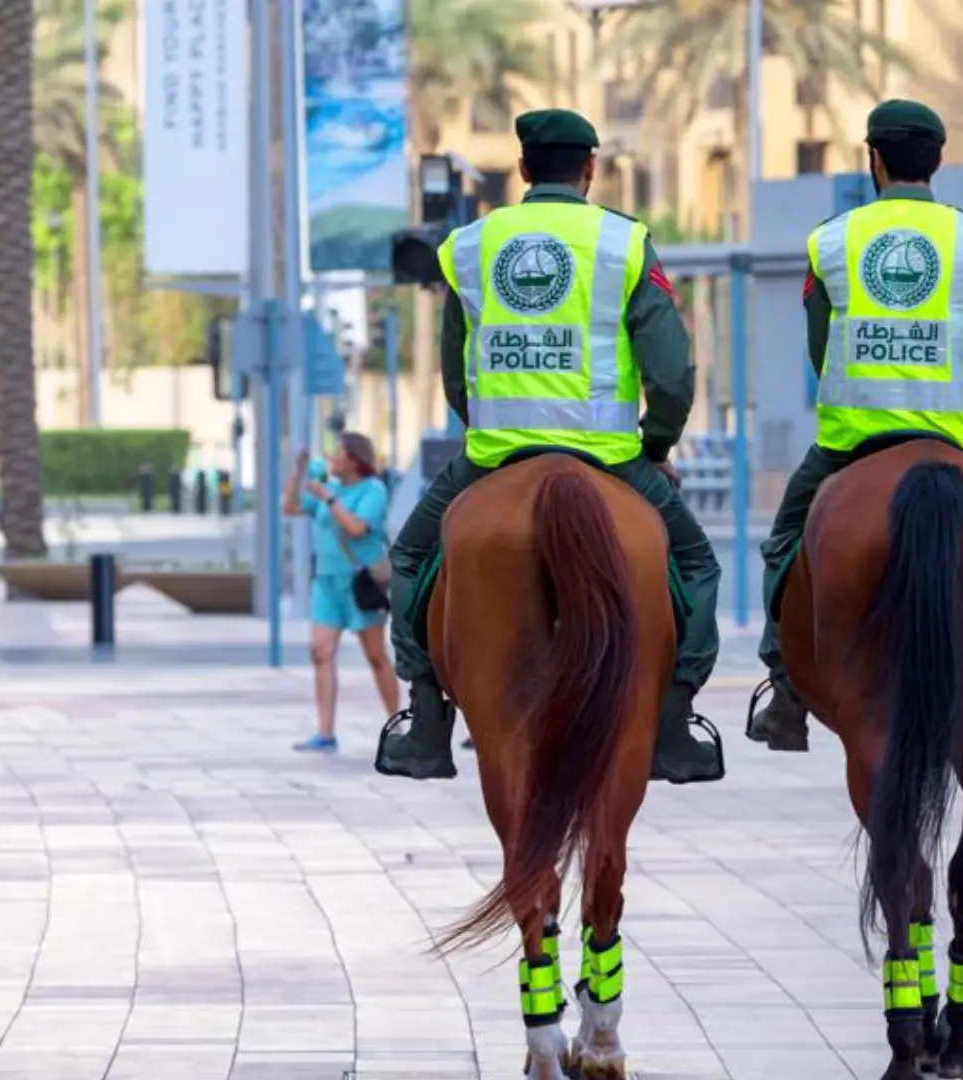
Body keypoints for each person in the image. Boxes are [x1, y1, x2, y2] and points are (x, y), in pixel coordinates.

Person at [375, 108, 725, 786]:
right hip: (611, 455)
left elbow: (457, 371)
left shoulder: (472, 246)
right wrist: (655, 445)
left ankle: (424, 721)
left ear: (525, 169)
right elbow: (672, 372)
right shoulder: (623, 243)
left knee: (413, 559)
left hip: (494, 454)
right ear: (590, 169)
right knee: (697, 564)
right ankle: (676, 724)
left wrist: (487, 433)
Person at [749, 99, 963, 762]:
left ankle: (785, 691)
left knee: (783, 544)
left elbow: (821, 350)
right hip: (960, 436)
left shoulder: (830, 241)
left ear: (873, 160)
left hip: (850, 440)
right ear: (936, 162)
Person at [284, 433, 400, 753]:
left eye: (337, 453)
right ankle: (325, 731)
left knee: (376, 657)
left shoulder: (373, 490)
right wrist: (299, 473)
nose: (332, 458)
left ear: (353, 459)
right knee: (320, 652)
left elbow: (357, 528)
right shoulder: (328, 490)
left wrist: (329, 499)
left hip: (360, 584)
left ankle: (397, 725)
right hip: (326, 583)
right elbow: (291, 507)